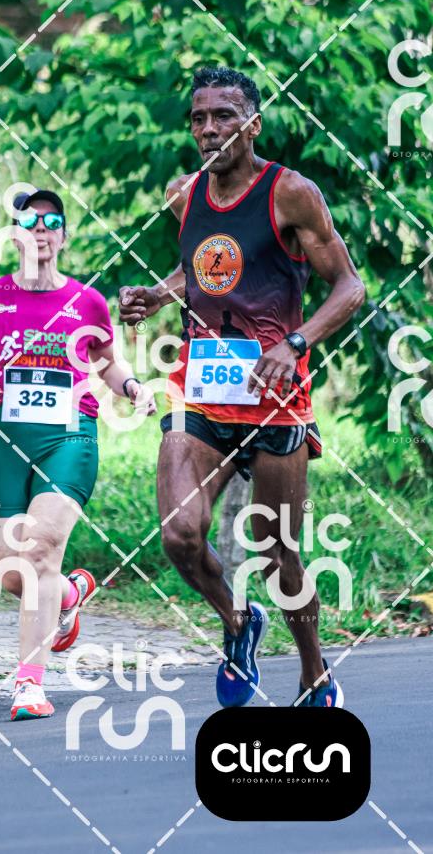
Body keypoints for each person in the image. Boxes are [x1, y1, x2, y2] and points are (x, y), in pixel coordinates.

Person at [119, 66, 365, 708]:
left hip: (275, 396)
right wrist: (159, 294)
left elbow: (350, 285)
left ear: (252, 124)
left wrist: (296, 343)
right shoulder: (184, 194)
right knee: (179, 533)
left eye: (223, 116)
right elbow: (203, 266)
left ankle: (314, 673)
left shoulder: (291, 194)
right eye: (199, 118)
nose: (209, 129)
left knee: (277, 552)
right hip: (200, 389)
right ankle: (237, 622)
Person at [0, 189, 156, 720]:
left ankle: (29, 685)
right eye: (29, 221)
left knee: (39, 550)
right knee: (10, 571)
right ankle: (67, 594)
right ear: (14, 234)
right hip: (7, 441)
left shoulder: (86, 302)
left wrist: (132, 386)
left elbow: (107, 363)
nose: (40, 229)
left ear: (63, 236)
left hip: (70, 437)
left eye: (51, 221)